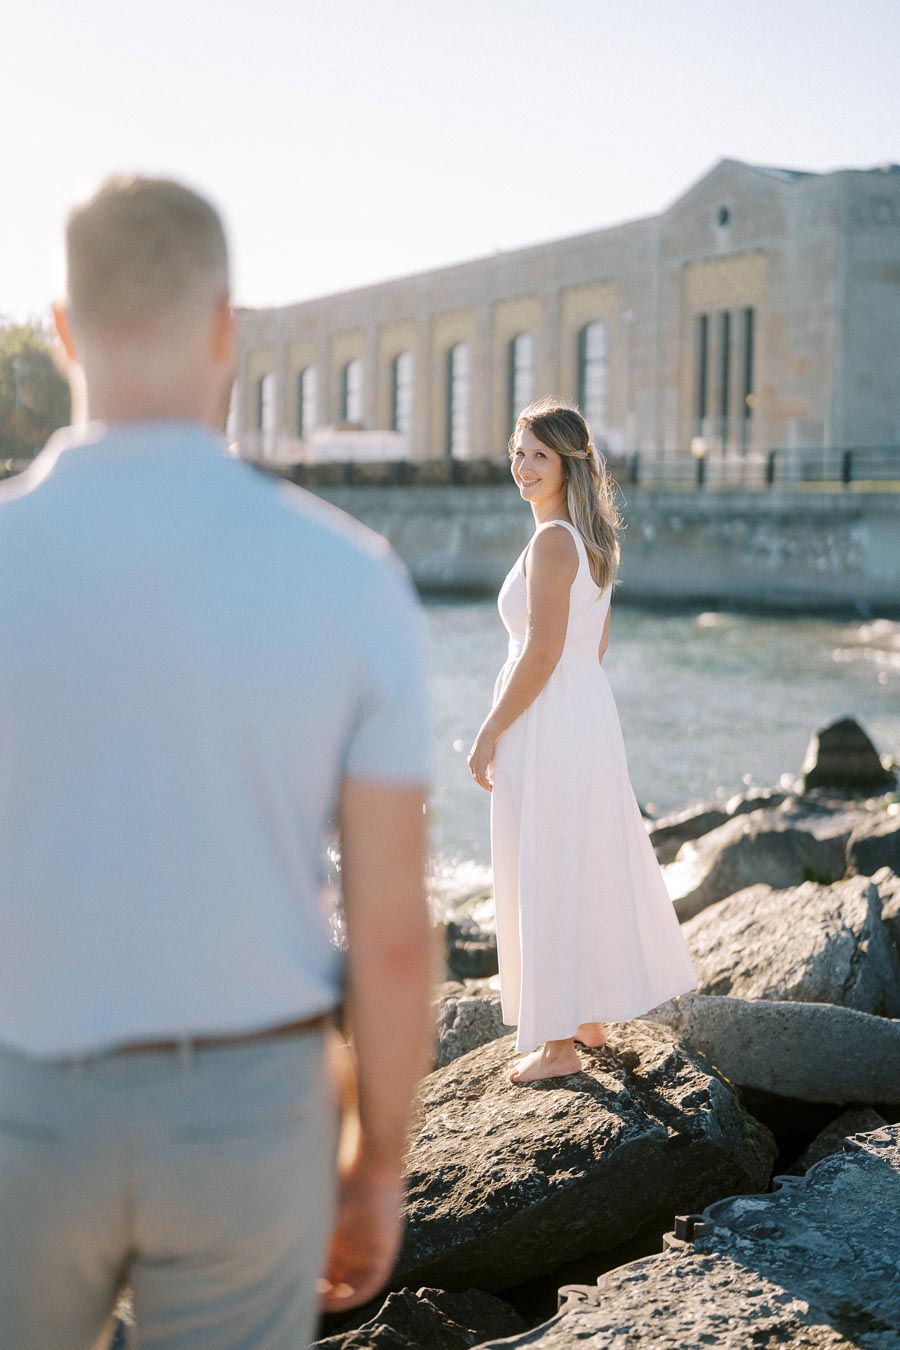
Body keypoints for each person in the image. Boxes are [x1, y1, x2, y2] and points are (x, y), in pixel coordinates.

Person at [0, 176, 433, 1349]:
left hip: (23, 1099)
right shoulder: (349, 578)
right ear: (228, 326)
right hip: (250, 1110)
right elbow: (393, 935)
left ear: (60, 327)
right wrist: (380, 1163)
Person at [468, 397, 698, 1084]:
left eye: (539, 454)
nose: (524, 465)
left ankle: (561, 1045)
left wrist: (489, 731)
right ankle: (587, 1015)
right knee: (574, 857)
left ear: (569, 463)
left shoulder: (552, 542)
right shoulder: (589, 541)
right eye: (519, 451)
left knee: (546, 863)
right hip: (580, 713)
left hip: (548, 717)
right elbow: (590, 647)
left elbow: (540, 654)